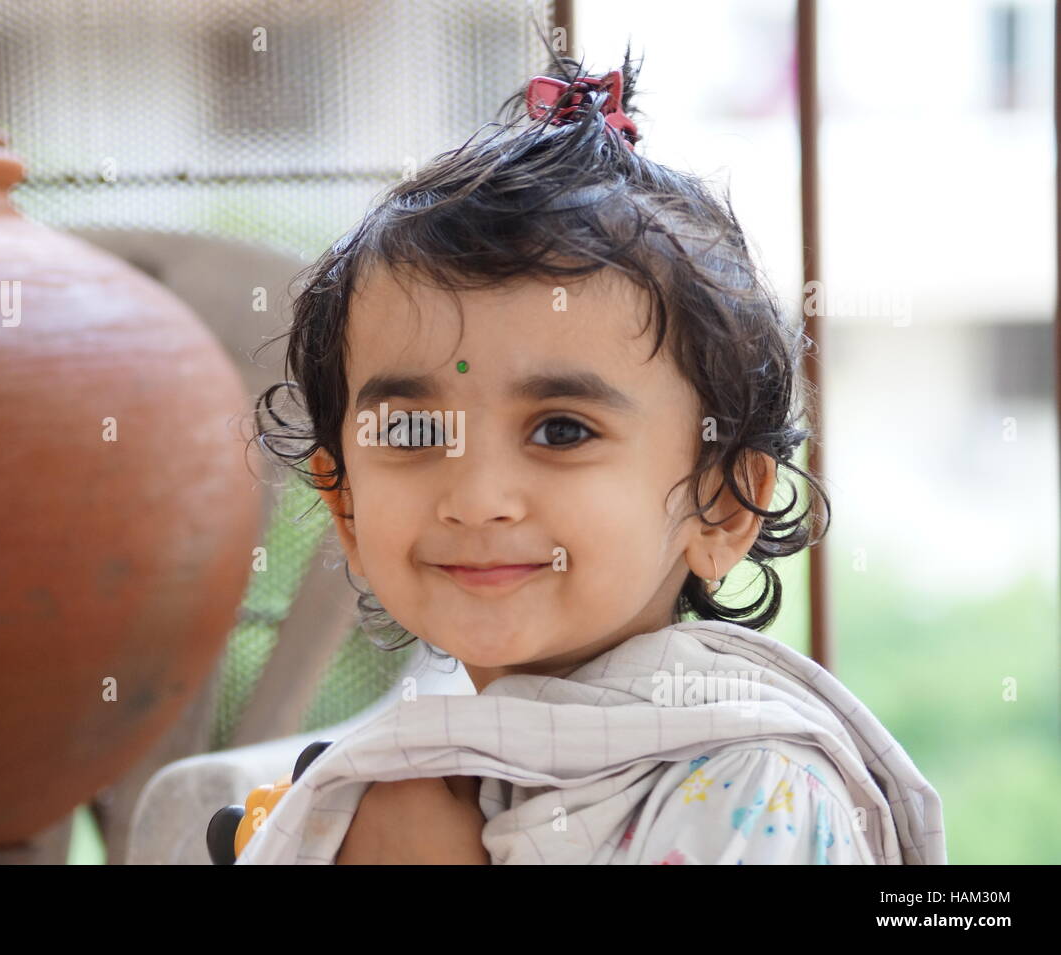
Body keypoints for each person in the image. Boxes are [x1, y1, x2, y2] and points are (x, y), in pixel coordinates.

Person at [242, 38, 945, 865]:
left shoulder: (753, 792)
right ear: (345, 503)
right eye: (411, 432)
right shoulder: (418, 769)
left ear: (719, 503)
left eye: (561, 431)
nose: (476, 497)